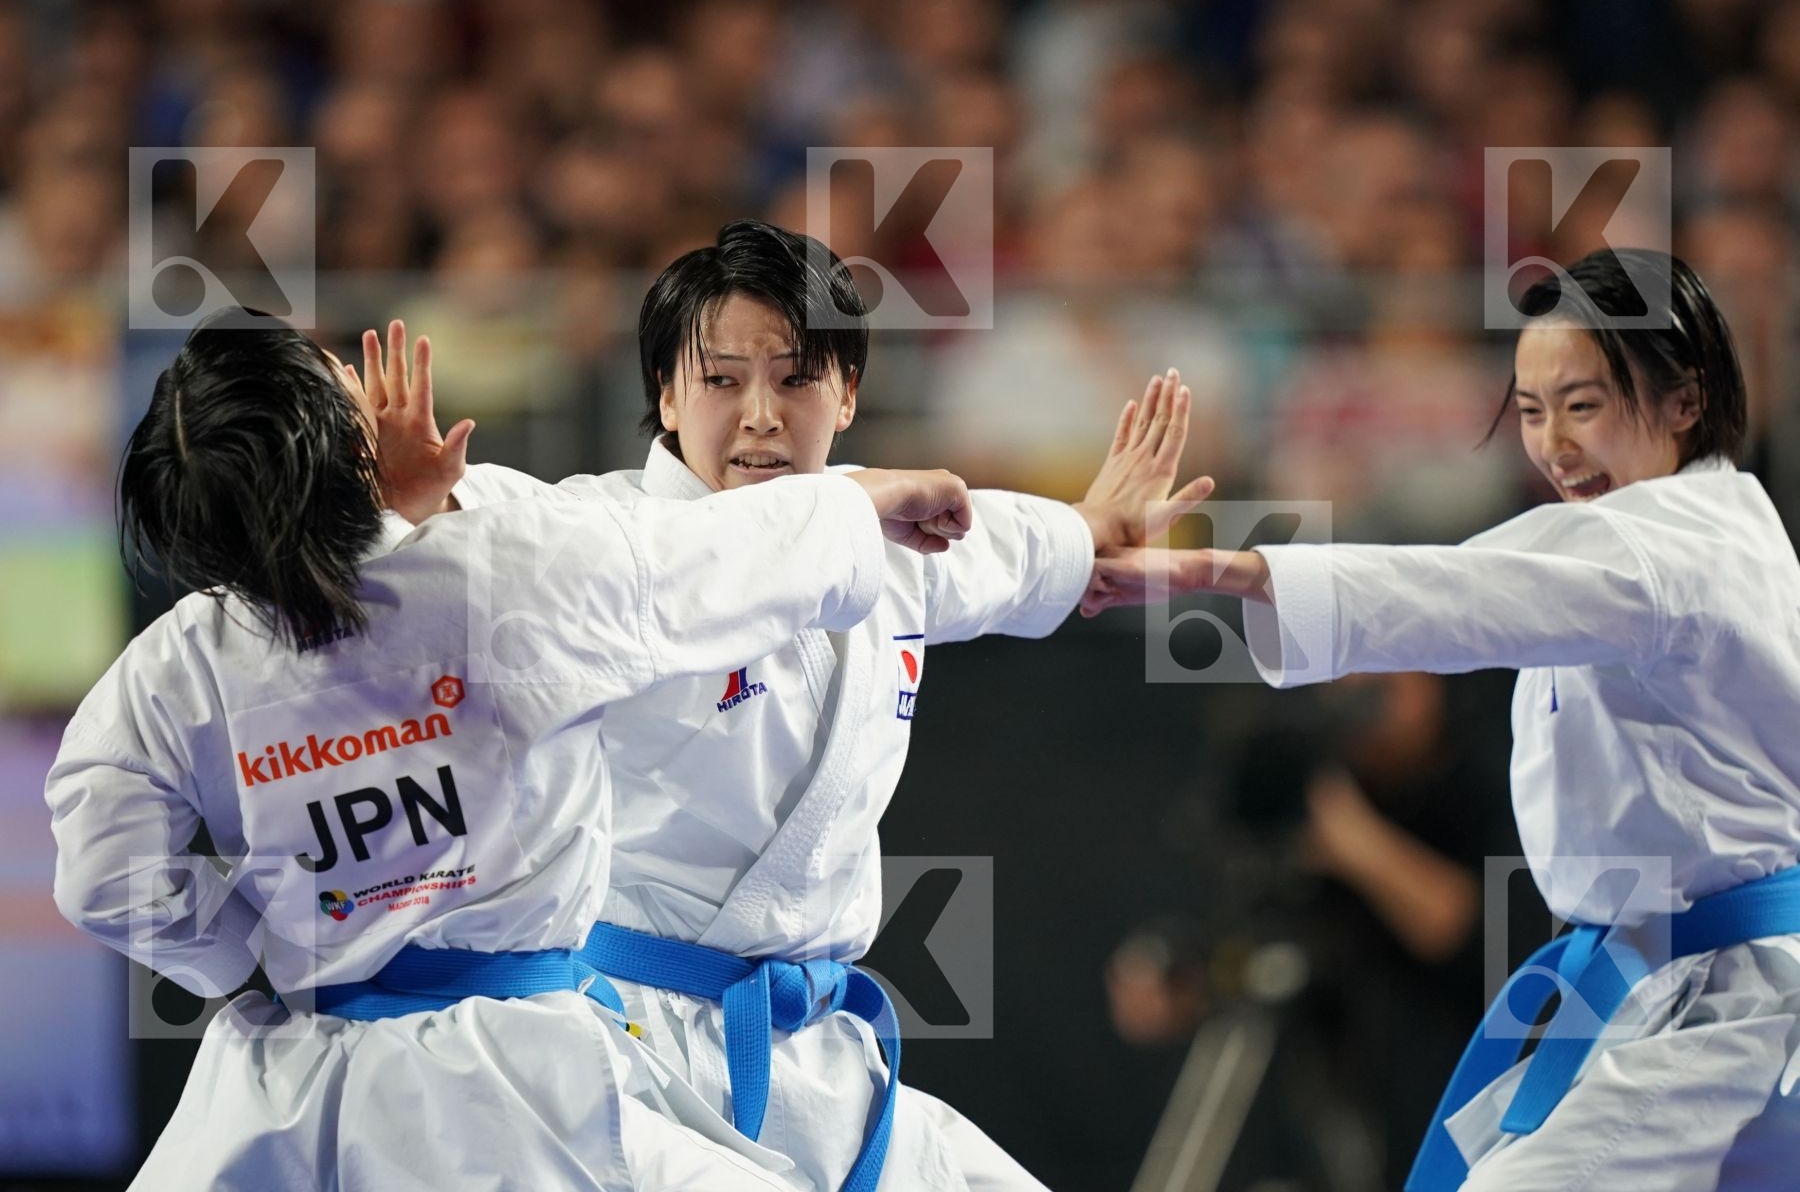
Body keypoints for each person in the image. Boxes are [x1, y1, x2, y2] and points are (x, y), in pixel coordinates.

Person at [45, 308, 980, 1191]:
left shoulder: (172, 669)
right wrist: (860, 502)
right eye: (341, 383)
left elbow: (103, 878)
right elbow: (704, 560)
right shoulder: (508, 570)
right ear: (337, 443)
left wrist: (248, 945)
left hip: (292, 1087)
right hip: (517, 1075)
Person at [395, 218, 1206, 1191]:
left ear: (849, 393)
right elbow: (478, 524)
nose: (762, 414)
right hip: (626, 1049)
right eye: (723, 378)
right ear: (664, 393)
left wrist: (1090, 526)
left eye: (795, 377)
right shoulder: (597, 536)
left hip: (814, 1049)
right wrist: (416, 511)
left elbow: (1010, 547)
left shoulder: (896, 543)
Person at [1083, 248, 1800, 1190]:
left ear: (1684, 400)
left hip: (1729, 1007)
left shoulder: (1667, 548)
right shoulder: (1687, 536)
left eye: (1583, 406)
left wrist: (1226, 568)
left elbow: (1461, 589)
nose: (1554, 446)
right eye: (1533, 412)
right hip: (1672, 993)